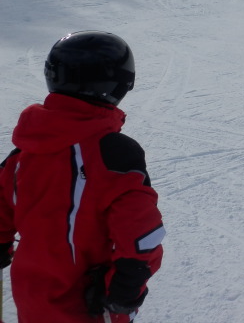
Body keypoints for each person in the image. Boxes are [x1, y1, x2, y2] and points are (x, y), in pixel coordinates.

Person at [0, 31, 165, 323]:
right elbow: (140, 232)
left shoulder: (23, 153)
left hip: (32, 299)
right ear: (118, 85)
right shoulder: (112, 153)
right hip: (88, 306)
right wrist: (126, 288)